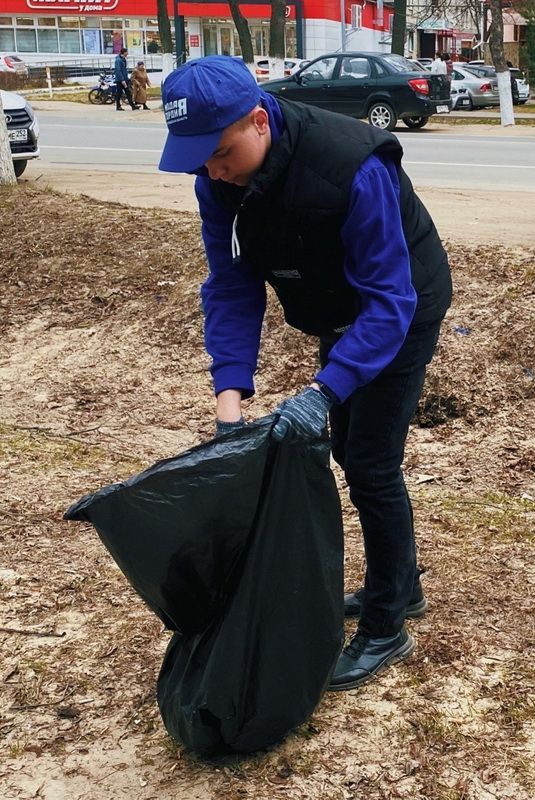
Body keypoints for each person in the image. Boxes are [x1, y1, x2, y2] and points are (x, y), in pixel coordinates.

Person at [157, 56, 453, 689]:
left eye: (221, 152)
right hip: (337, 308)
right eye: (199, 158)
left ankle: (386, 624)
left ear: (259, 121)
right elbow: (232, 285)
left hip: (401, 307)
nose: (212, 170)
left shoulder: (353, 167)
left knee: (369, 462)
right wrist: (228, 398)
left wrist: (323, 391)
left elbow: (390, 301)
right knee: (347, 446)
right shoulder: (219, 178)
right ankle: (400, 583)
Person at [112, 47, 134, 112]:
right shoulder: (118, 60)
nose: (127, 53)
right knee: (119, 93)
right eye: (127, 52)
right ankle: (118, 106)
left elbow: (124, 70)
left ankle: (133, 106)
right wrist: (122, 80)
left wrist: (126, 79)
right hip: (120, 80)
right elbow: (118, 70)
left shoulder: (123, 59)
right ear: (124, 52)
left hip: (125, 79)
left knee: (128, 92)